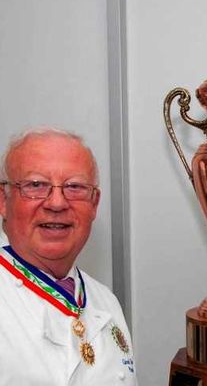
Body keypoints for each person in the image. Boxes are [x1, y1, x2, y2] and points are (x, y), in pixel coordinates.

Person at [0, 128, 137, 385]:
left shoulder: (105, 301)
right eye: (36, 185)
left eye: (75, 187)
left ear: (94, 204)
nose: (57, 203)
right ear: (3, 201)